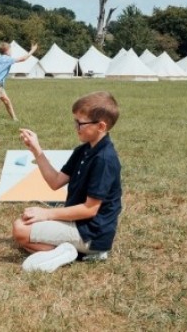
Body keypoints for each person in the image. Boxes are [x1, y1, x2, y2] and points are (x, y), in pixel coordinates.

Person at [12, 91, 122, 272]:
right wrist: (37, 150)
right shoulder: (83, 150)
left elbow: (90, 208)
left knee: (20, 229)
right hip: (77, 223)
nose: (76, 127)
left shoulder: (104, 160)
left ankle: (76, 252)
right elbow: (55, 182)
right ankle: (67, 250)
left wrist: (46, 214)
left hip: (91, 234)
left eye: (80, 123)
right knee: (24, 223)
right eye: (75, 122)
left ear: (101, 126)